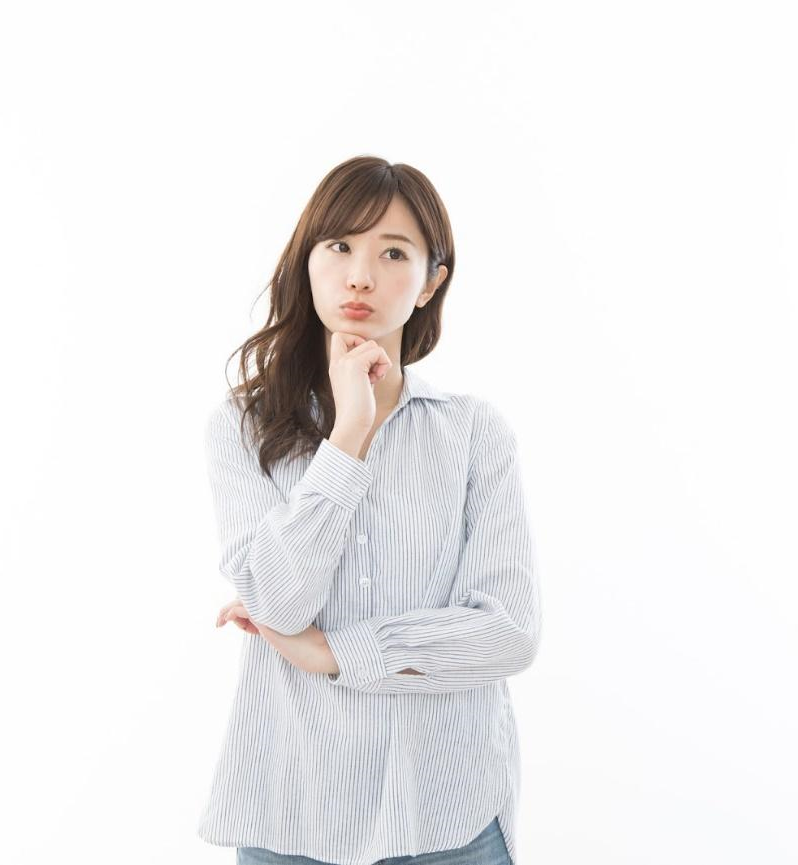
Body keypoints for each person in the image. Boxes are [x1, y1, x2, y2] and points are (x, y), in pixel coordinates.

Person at [198, 155, 542, 865]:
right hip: (292, 808)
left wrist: (332, 652)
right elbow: (279, 602)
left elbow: (508, 633)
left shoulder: (473, 433)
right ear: (308, 260)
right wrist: (348, 434)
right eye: (340, 246)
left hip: (446, 811)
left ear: (430, 282)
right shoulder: (242, 426)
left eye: (393, 253)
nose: (360, 275)